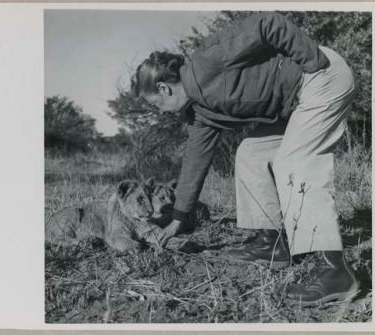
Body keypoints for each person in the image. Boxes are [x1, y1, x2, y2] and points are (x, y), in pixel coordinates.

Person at [130, 12, 359, 306]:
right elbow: (195, 159)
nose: (159, 110)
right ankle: (272, 243)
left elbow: (268, 24)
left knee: (294, 162)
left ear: (163, 88)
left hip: (321, 75)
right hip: (296, 102)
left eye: (154, 103)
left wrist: (312, 61)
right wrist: (178, 217)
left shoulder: (206, 60)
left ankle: (334, 270)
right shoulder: (199, 114)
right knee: (251, 153)